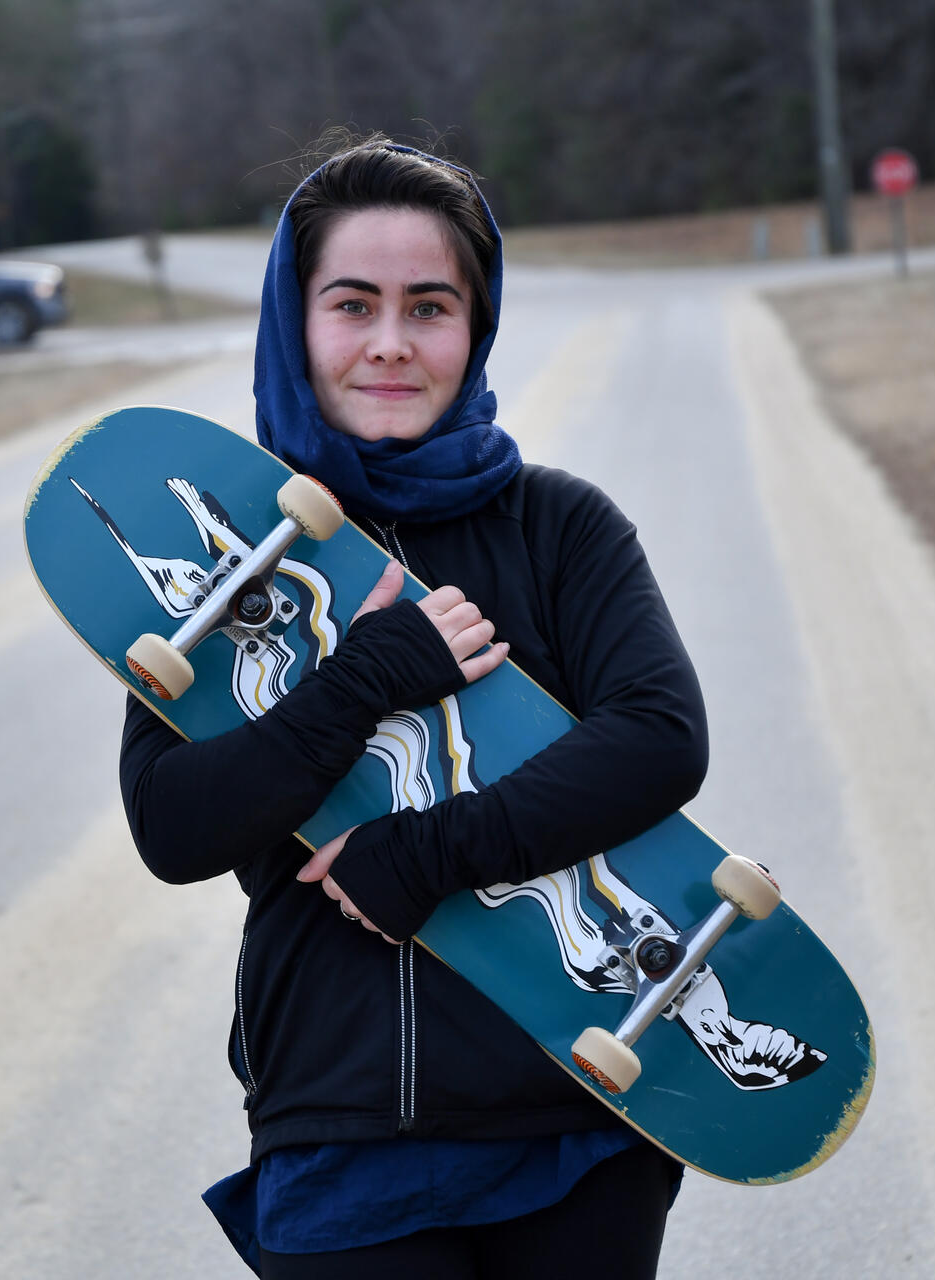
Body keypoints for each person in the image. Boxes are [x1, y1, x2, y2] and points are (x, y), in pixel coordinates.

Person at [119, 136, 708, 1278]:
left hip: (573, 1103)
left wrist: (422, 852)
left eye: (428, 306)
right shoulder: (231, 563)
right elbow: (172, 823)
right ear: (295, 324)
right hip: (339, 1121)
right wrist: (369, 675)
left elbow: (656, 735)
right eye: (352, 303)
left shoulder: (557, 526)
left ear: (473, 329)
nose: (390, 342)